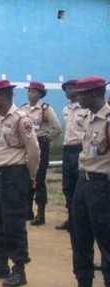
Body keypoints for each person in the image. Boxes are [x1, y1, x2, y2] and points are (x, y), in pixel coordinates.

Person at [54, 76, 110, 287]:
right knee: (79, 238)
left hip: (103, 186)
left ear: (96, 93)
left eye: (83, 94)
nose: (78, 97)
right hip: (83, 183)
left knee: (106, 243)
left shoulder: (108, 120)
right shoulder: (87, 117)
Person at [0, 80, 39, 287]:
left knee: (14, 223)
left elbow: (33, 151)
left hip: (15, 175)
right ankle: (1, 262)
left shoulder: (21, 119)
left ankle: (19, 269)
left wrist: (30, 176)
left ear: (3, 96)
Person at [20, 82, 63, 225]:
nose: (30, 94)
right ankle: (27, 210)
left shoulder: (45, 109)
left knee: (39, 178)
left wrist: (45, 140)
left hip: (40, 144)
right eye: (29, 91)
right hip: (26, 146)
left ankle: (41, 213)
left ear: (39, 94)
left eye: (33, 91)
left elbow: (57, 128)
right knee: (26, 177)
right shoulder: (23, 108)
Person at [56, 80, 86, 231]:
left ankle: (81, 220)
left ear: (78, 90)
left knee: (79, 185)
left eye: (70, 88)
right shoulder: (65, 109)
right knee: (67, 186)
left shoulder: (85, 110)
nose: (67, 91)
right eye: (66, 89)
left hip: (80, 149)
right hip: (67, 150)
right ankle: (71, 218)